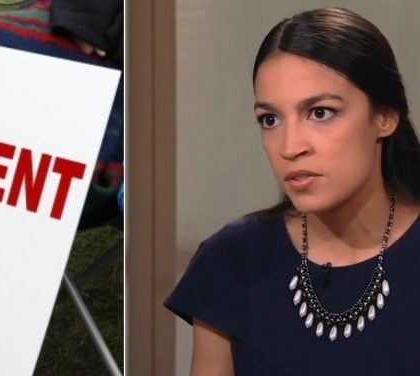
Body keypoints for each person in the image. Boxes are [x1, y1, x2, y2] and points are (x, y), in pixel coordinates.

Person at [165, 7, 420, 376]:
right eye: (270, 119)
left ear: (385, 116)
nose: (290, 146)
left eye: (320, 112)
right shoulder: (231, 259)